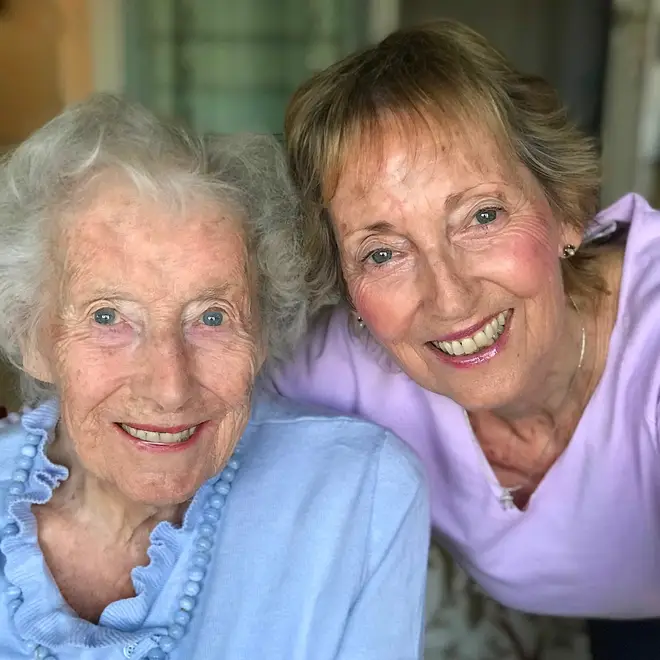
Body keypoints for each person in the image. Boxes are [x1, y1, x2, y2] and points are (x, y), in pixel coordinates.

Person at [270, 19, 660, 660]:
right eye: (384, 252)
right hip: (611, 612)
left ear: (564, 209)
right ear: (346, 285)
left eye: (482, 216)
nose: (448, 298)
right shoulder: (348, 361)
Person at [0, 94, 429, 660]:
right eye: (108, 317)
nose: (170, 387)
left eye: (211, 317)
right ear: (32, 337)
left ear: (264, 329)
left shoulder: (360, 495)